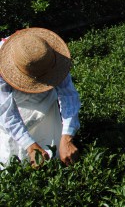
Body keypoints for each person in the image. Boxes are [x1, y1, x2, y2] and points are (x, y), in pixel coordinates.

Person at [0, 28, 81, 168]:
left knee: (53, 151)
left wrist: (67, 137)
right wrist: (30, 145)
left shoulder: (50, 56)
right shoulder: (2, 64)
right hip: (16, 104)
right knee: (13, 161)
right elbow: (6, 110)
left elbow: (68, 95)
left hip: (47, 102)